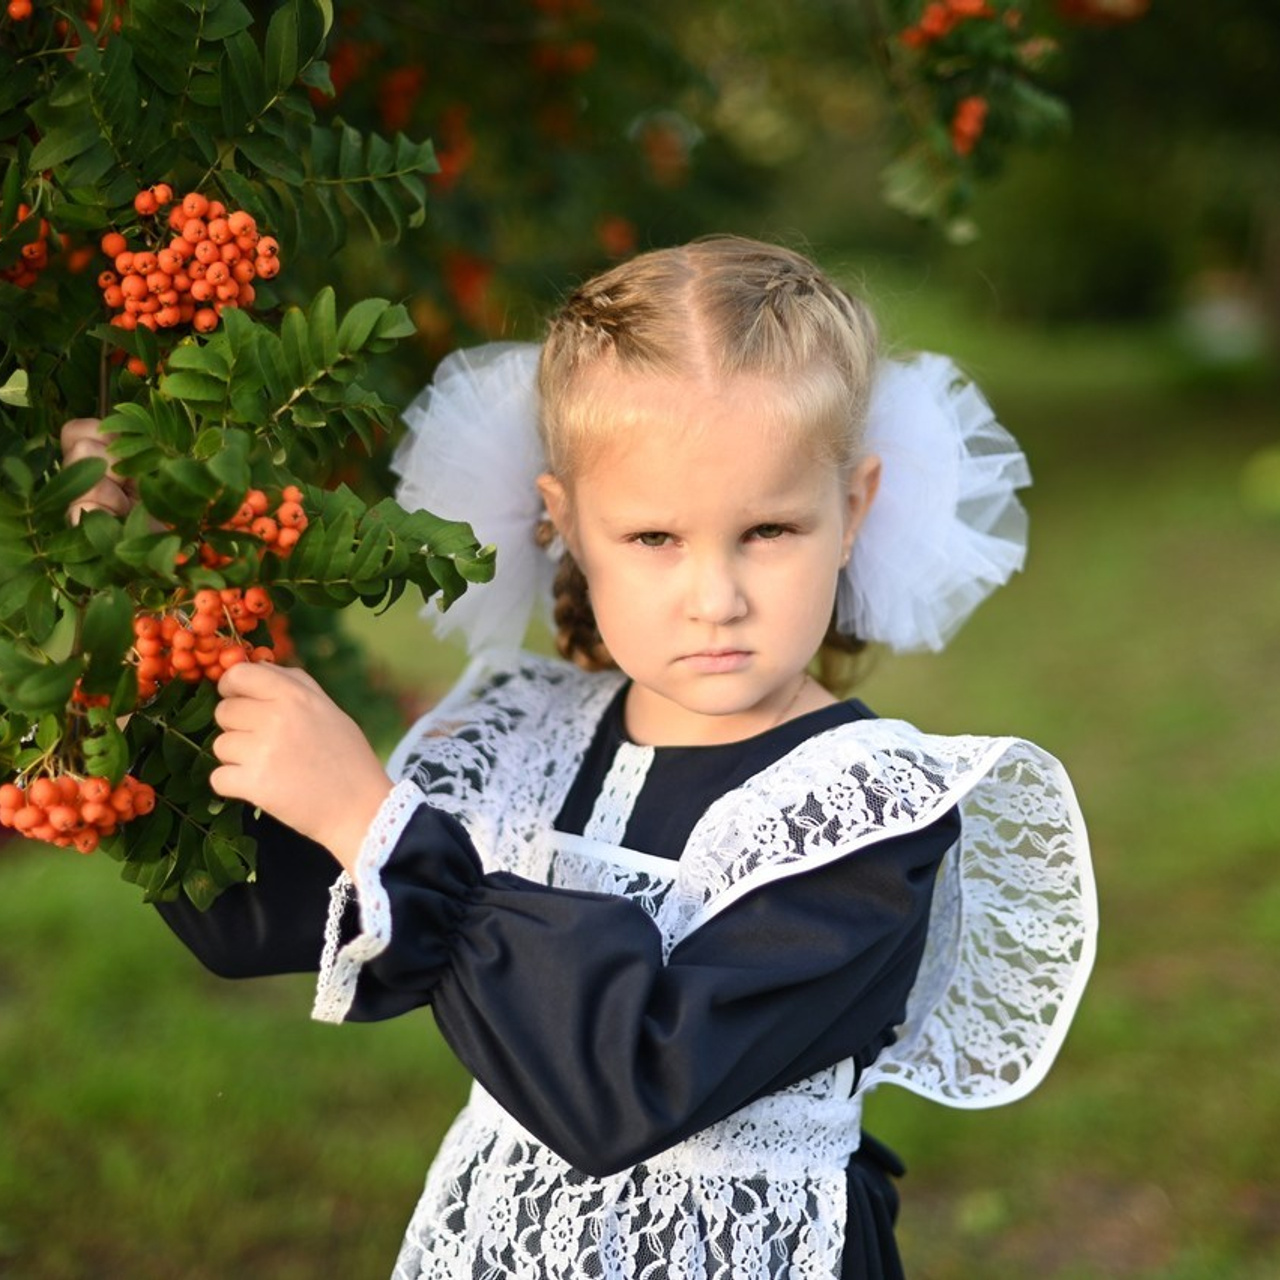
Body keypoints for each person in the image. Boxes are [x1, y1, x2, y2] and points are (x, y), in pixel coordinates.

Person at [63, 236, 1096, 1279]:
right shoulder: (525, 738)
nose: (715, 595)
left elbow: (631, 1080)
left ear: (852, 509)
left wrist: (371, 821)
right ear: (565, 526)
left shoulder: (869, 816)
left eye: (768, 528)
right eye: (654, 537)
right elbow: (258, 913)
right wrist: (132, 607)